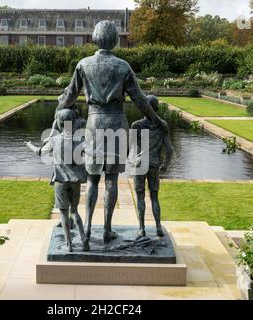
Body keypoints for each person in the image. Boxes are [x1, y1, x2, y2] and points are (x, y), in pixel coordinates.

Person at [57, 20, 168, 243]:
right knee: (111, 180)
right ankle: (106, 230)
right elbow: (140, 100)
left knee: (92, 179)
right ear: (116, 40)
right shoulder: (122, 66)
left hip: (94, 124)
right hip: (117, 122)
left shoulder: (83, 64)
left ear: (95, 38)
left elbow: (69, 97)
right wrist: (156, 120)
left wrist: (59, 111)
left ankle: (87, 228)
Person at [26, 109, 89, 252]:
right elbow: (93, 152)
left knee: (63, 212)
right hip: (75, 181)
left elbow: (40, 152)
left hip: (60, 180)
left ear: (59, 123)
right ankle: (84, 238)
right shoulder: (79, 139)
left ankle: (69, 244)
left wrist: (29, 145)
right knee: (75, 211)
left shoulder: (54, 140)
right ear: (73, 122)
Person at [129, 95, 173, 237]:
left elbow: (131, 148)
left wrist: (132, 162)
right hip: (153, 163)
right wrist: (165, 165)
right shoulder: (162, 126)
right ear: (156, 107)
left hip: (140, 163)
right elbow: (170, 149)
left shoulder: (136, 125)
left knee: (140, 196)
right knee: (154, 197)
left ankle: (142, 228)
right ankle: (158, 227)